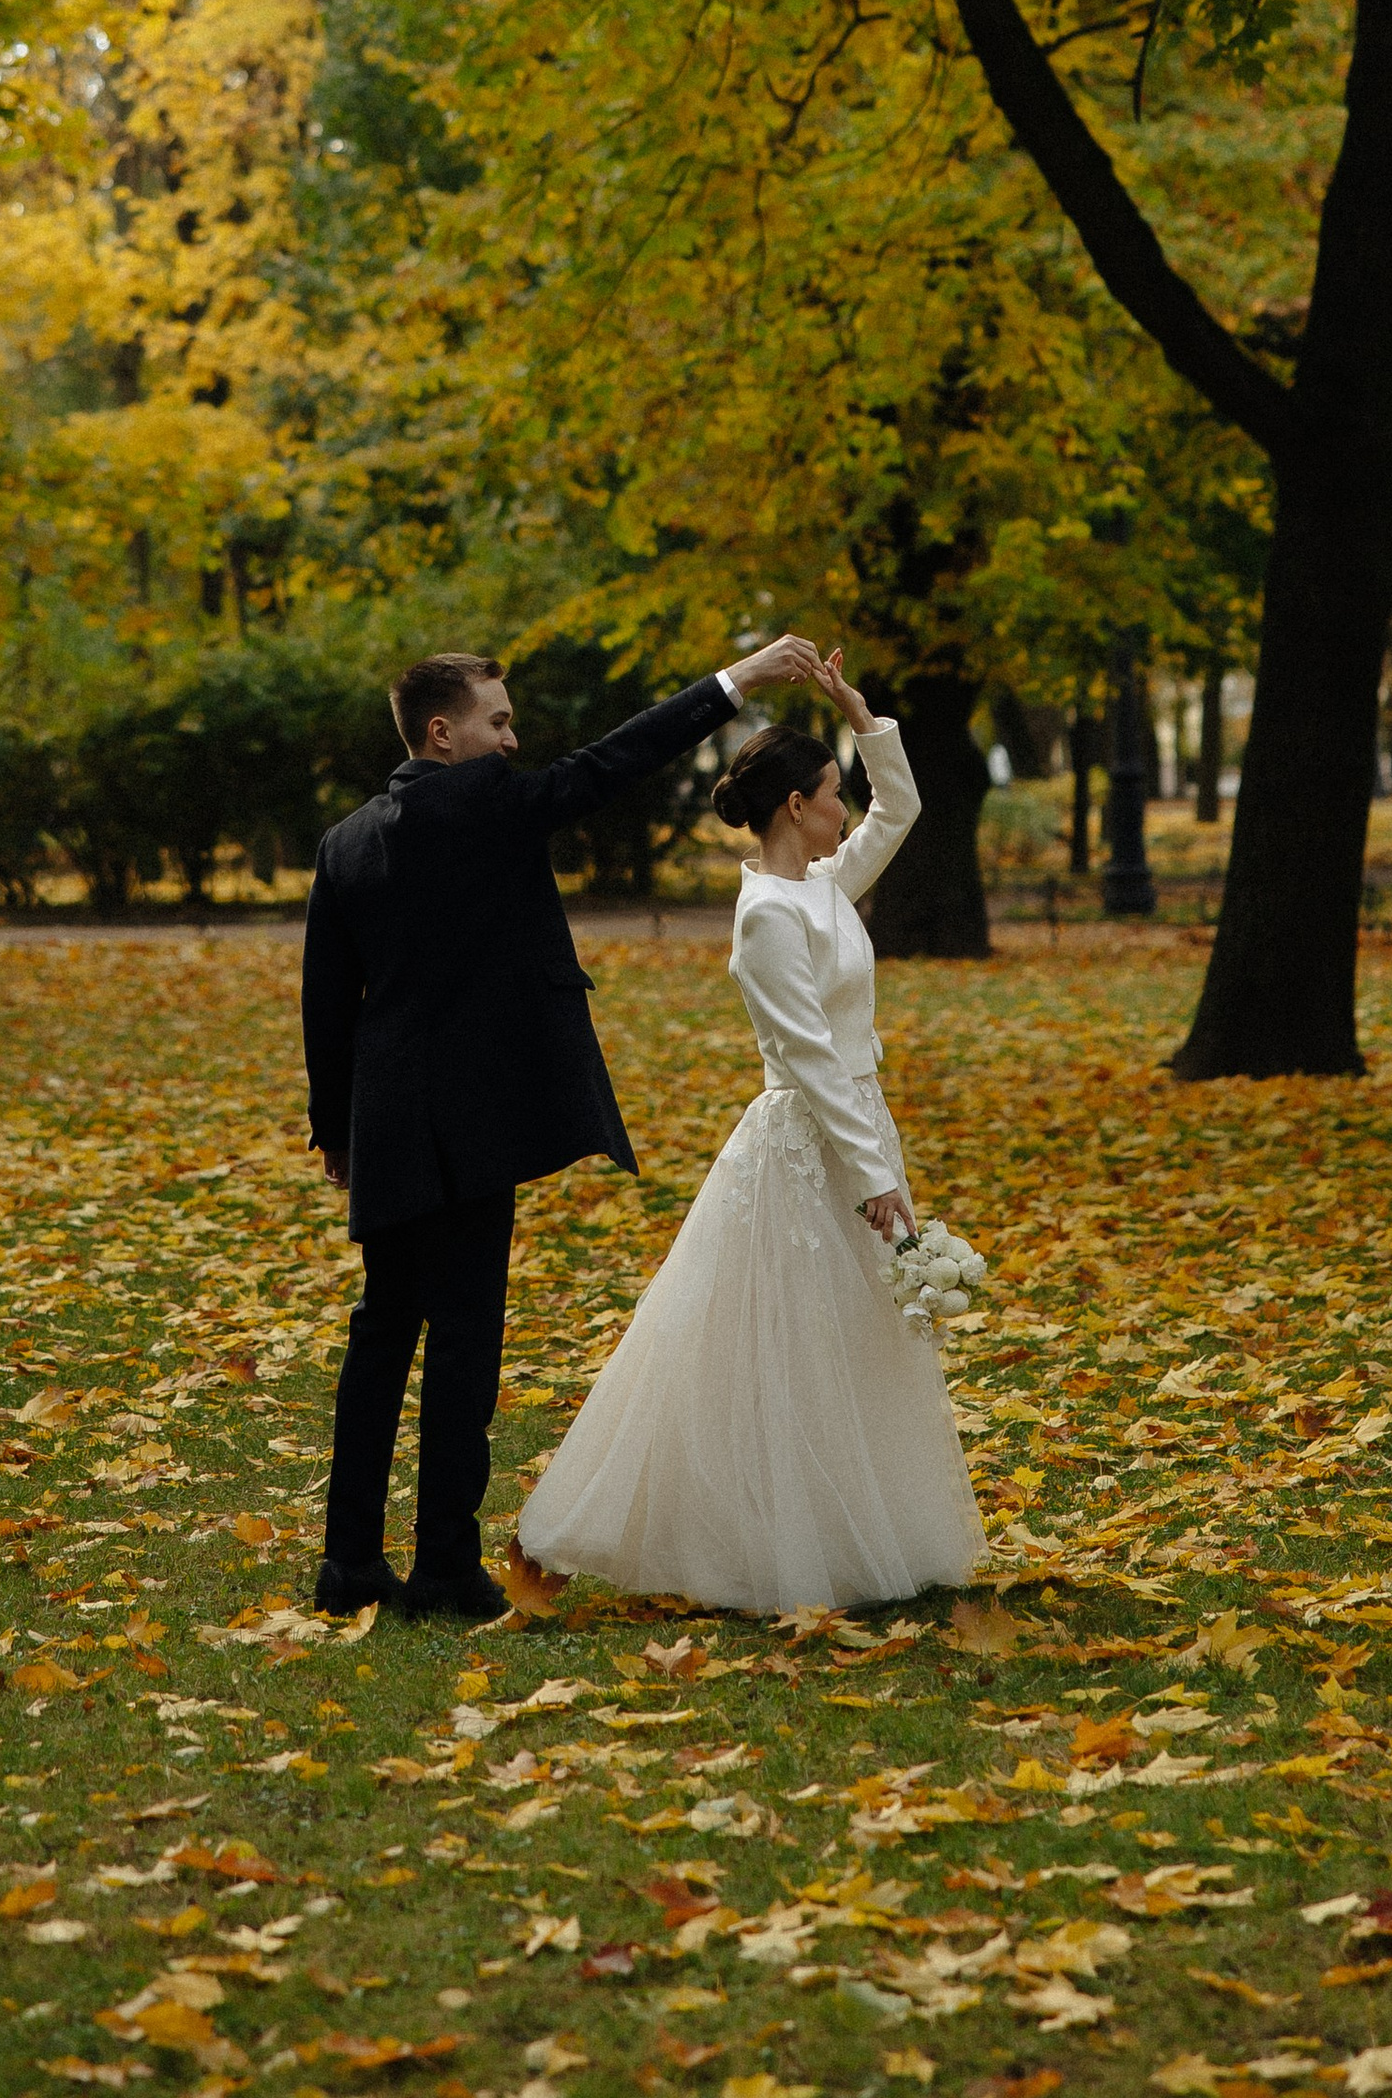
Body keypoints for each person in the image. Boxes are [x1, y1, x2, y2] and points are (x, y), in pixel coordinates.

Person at [302, 632, 830, 1622]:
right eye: (498, 722)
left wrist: (336, 1131)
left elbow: (327, 1001)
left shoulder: (347, 842)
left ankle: (349, 1564)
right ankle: (443, 1567)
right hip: (473, 1123)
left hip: (390, 1122)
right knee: (463, 1341)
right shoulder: (488, 805)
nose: (513, 741)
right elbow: (613, 762)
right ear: (442, 733)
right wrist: (734, 682)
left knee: (381, 1335)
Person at [515, 650, 981, 1615]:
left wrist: (862, 717)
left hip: (859, 1125)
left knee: (859, 1338)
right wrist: (873, 1178)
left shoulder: (825, 882)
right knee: (792, 1342)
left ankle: (859, 1532)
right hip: (810, 1142)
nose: (844, 807)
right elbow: (807, 1056)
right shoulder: (767, 913)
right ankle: (764, 1539)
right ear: (795, 808)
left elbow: (900, 810)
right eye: (832, 793)